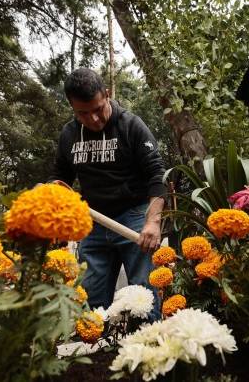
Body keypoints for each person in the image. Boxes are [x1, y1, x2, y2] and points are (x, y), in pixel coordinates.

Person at [48, 68, 166, 320]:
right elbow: (59, 177)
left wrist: (153, 222)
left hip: (134, 219)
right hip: (93, 223)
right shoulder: (69, 135)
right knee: (91, 301)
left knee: (144, 296)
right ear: (72, 107)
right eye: (82, 113)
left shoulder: (131, 125)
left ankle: (151, 347)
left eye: (98, 109)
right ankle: (96, 351)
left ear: (107, 94)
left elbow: (157, 174)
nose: (93, 119)